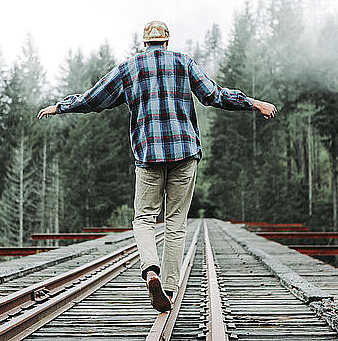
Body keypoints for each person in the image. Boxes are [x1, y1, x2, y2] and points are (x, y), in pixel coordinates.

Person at [38, 20, 276, 312]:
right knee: (176, 222)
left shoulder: (129, 68)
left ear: (144, 43)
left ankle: (150, 269)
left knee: (144, 219)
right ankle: (170, 288)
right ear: (166, 42)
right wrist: (253, 103)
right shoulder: (184, 63)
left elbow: (94, 98)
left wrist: (61, 106)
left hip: (149, 155)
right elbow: (214, 95)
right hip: (184, 152)